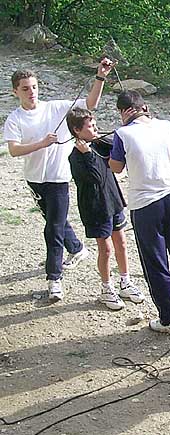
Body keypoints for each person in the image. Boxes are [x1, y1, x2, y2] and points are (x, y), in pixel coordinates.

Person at [3, 58, 114, 302]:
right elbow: (13, 150)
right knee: (55, 219)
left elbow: (90, 104)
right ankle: (76, 248)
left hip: (59, 178)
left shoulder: (55, 108)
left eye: (34, 87)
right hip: (34, 179)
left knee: (52, 228)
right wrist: (42, 143)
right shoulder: (14, 119)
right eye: (25, 88)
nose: (31, 92)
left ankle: (54, 280)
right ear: (15, 92)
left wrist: (100, 76)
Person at [109, 90, 170, 336]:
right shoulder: (167, 126)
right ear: (145, 107)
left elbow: (116, 168)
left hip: (144, 203)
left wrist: (122, 131)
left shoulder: (123, 133)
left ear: (123, 112)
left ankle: (169, 318)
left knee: (155, 262)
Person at [66, 107, 144, 309]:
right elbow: (97, 178)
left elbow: (119, 151)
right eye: (90, 126)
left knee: (122, 243)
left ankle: (125, 281)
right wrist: (89, 154)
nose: (95, 128)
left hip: (113, 201)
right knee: (106, 249)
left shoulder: (99, 145)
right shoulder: (76, 158)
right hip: (96, 208)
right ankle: (106, 287)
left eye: (94, 124)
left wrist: (97, 139)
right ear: (76, 130)